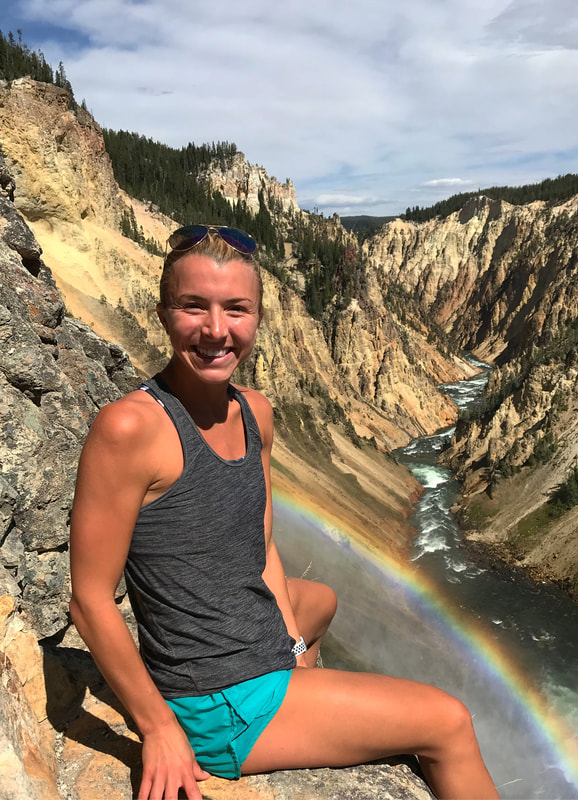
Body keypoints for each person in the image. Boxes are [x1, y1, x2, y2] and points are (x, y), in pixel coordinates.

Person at [69, 224, 498, 800]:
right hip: (216, 698)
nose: (216, 329)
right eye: (193, 306)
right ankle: (284, 718)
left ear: (259, 318)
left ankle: (302, 700)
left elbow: (262, 543)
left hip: (252, 645)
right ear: (164, 315)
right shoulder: (129, 428)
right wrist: (159, 727)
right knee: (448, 722)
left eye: (236, 309)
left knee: (320, 600)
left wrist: (292, 648)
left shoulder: (256, 413)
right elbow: (89, 598)